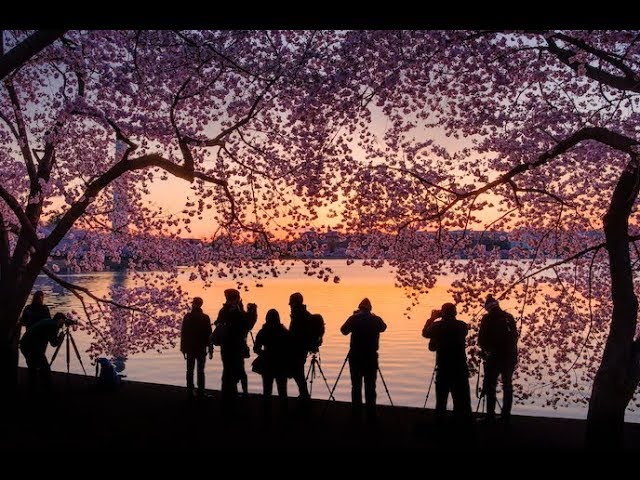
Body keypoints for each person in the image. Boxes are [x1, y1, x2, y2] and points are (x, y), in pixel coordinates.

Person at [422, 303, 472, 425]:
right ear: (455, 313)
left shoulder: (436, 326)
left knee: (441, 400)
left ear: (442, 313)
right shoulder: (462, 326)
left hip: (443, 367)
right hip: (460, 368)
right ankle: (461, 425)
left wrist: (432, 318)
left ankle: (440, 424)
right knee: (461, 400)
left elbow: (425, 333)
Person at [340, 298, 387, 423]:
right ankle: (371, 414)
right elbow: (384, 327)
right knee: (370, 386)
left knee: (356, 386)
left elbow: (343, 331)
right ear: (370, 308)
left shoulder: (353, 318)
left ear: (359, 307)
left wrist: (354, 317)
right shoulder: (376, 319)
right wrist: (373, 316)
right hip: (371, 357)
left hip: (355, 356)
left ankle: (356, 414)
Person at [478, 294, 518, 423]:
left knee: (490, 385)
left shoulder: (487, 318)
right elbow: (515, 337)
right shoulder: (509, 317)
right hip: (510, 356)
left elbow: (481, 339)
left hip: (494, 356)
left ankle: (490, 416)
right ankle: (506, 415)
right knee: (507, 384)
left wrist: (485, 351)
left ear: (488, 308)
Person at [214, 289, 257, 406]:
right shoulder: (237, 312)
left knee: (228, 370)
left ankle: (228, 395)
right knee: (239, 371)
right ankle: (242, 394)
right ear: (236, 298)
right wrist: (252, 312)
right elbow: (248, 325)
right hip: (237, 346)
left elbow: (219, 322)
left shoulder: (223, 311)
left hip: (226, 346)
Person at [253, 309, 290, 417]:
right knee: (282, 390)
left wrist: (263, 353)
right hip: (281, 364)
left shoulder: (263, 331)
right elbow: (289, 348)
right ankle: (284, 413)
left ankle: (266, 413)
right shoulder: (284, 331)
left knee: (267, 390)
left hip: (267, 363)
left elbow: (256, 348)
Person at [19, 312, 65, 392]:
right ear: (60, 320)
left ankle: (32, 389)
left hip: (25, 344)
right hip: (32, 347)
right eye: (63, 321)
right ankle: (46, 390)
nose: (63, 324)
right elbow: (54, 343)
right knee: (45, 369)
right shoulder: (53, 325)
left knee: (33, 368)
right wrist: (61, 338)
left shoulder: (48, 321)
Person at [180, 297, 212, 398]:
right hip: (201, 347)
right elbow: (209, 334)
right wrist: (210, 349)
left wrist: (183, 348)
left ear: (194, 304)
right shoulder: (205, 317)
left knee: (190, 370)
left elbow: (184, 333)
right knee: (201, 370)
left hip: (190, 347)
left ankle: (190, 390)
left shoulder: (188, 317)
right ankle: (201, 391)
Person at [287, 292, 312, 401]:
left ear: (295, 303)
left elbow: (294, 333)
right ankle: (304, 395)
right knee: (298, 372)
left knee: (298, 373)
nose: (290, 306)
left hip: (297, 349)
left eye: (291, 303)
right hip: (302, 348)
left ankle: (304, 396)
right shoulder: (304, 314)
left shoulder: (298, 315)